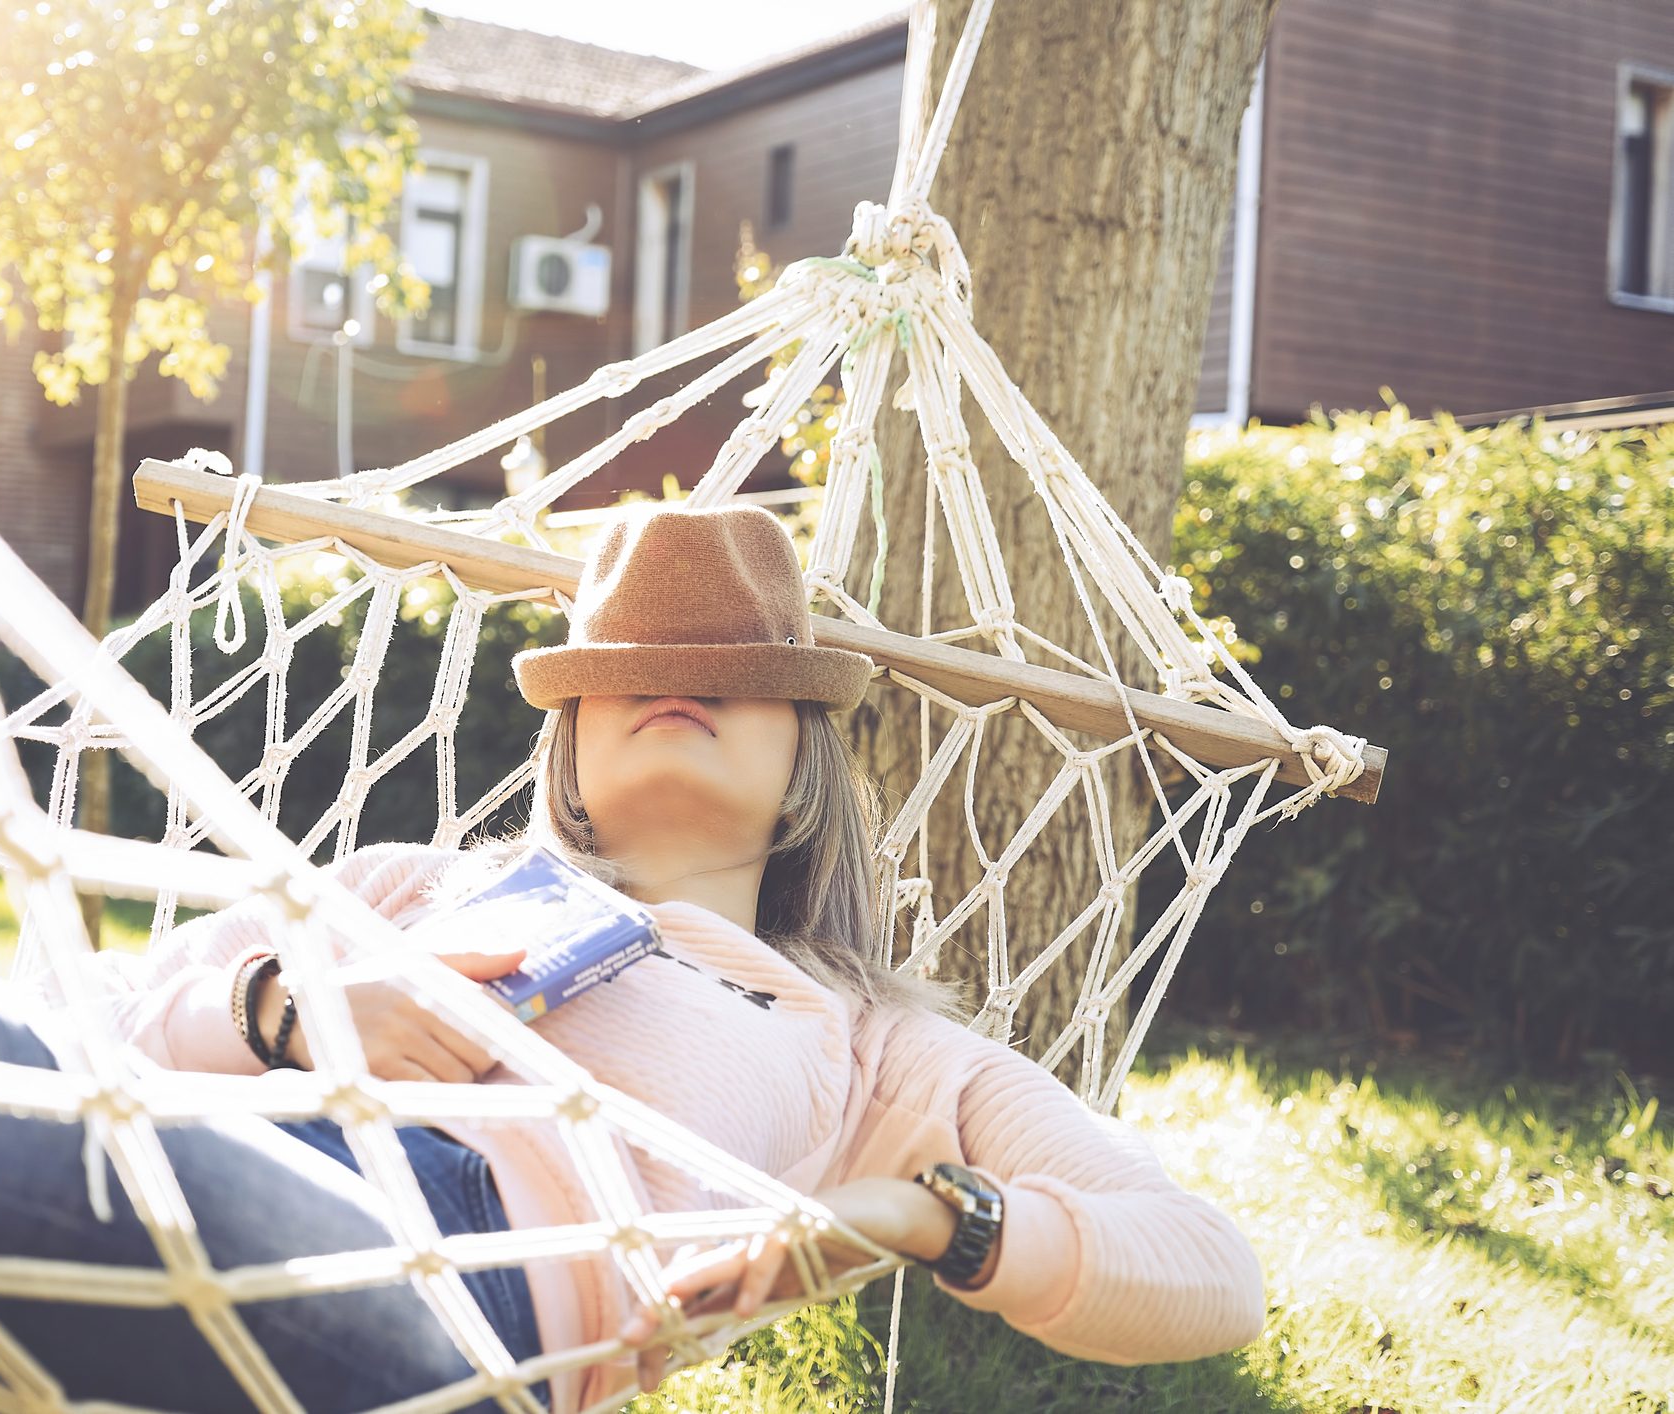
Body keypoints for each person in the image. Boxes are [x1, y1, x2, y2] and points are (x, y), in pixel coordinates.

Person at [77, 504, 1267, 1413]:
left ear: (803, 756)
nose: (673, 684)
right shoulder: (400, 883)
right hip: (205, 1161)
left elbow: (1212, 1272)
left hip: (461, 1292)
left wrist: (919, 1215)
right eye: (627, 670)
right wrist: (276, 1008)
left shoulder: (870, 1046)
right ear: (570, 739)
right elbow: (75, 1023)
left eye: (731, 674)